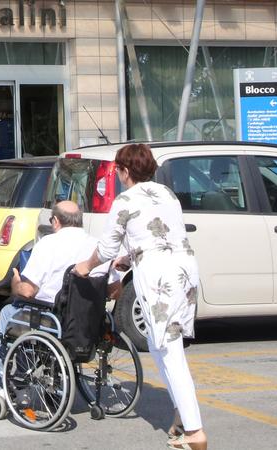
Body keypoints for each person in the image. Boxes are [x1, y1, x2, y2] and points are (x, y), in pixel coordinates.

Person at [74, 143, 206, 450]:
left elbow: (106, 248)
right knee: (164, 348)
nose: (118, 174)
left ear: (124, 171)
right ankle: (182, 418)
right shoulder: (167, 194)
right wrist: (129, 258)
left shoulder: (124, 200)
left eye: (118, 169)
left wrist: (87, 265)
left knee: (169, 352)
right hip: (185, 268)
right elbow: (158, 236)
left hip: (159, 276)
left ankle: (196, 432)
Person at [0, 200, 120, 397]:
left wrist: (15, 282)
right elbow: (114, 291)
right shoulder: (98, 248)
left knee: (10, 313)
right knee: (26, 319)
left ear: (55, 221)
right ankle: (26, 375)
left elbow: (28, 291)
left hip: (55, 319)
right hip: (88, 321)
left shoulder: (48, 244)